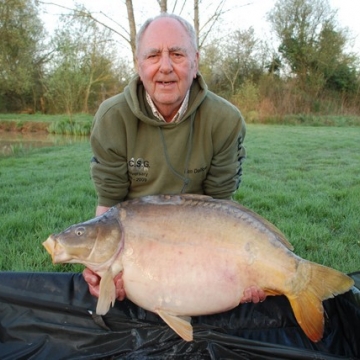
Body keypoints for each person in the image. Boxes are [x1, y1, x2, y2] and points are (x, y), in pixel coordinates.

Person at [83, 13, 265, 305]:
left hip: (196, 243)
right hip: (137, 243)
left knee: (244, 284)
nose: (165, 67)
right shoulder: (112, 118)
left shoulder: (225, 120)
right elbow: (109, 204)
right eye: (153, 55)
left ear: (195, 62)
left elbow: (221, 211)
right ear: (138, 64)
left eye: (177, 54)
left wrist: (239, 271)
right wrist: (101, 263)